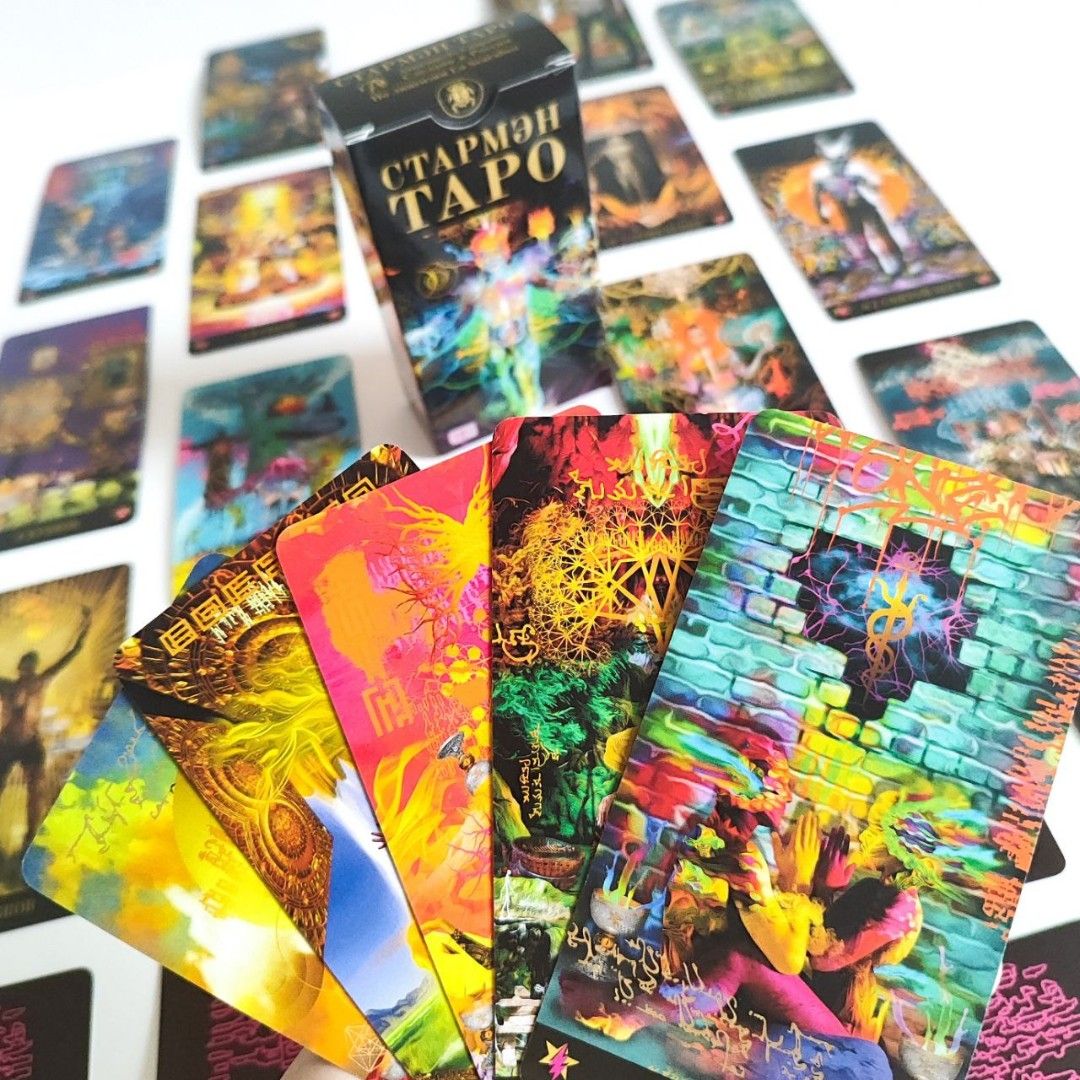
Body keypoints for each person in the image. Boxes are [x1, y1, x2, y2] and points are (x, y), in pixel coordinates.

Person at [0, 607, 92, 853]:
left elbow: (69, 656)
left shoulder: (41, 682)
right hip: (6, 743)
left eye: (32, 666)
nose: (29, 670)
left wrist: (83, 631)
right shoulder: (6, 686)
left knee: (35, 792)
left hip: (31, 743)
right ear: (20, 668)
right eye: (26, 666)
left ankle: (30, 837)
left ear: (34, 668)